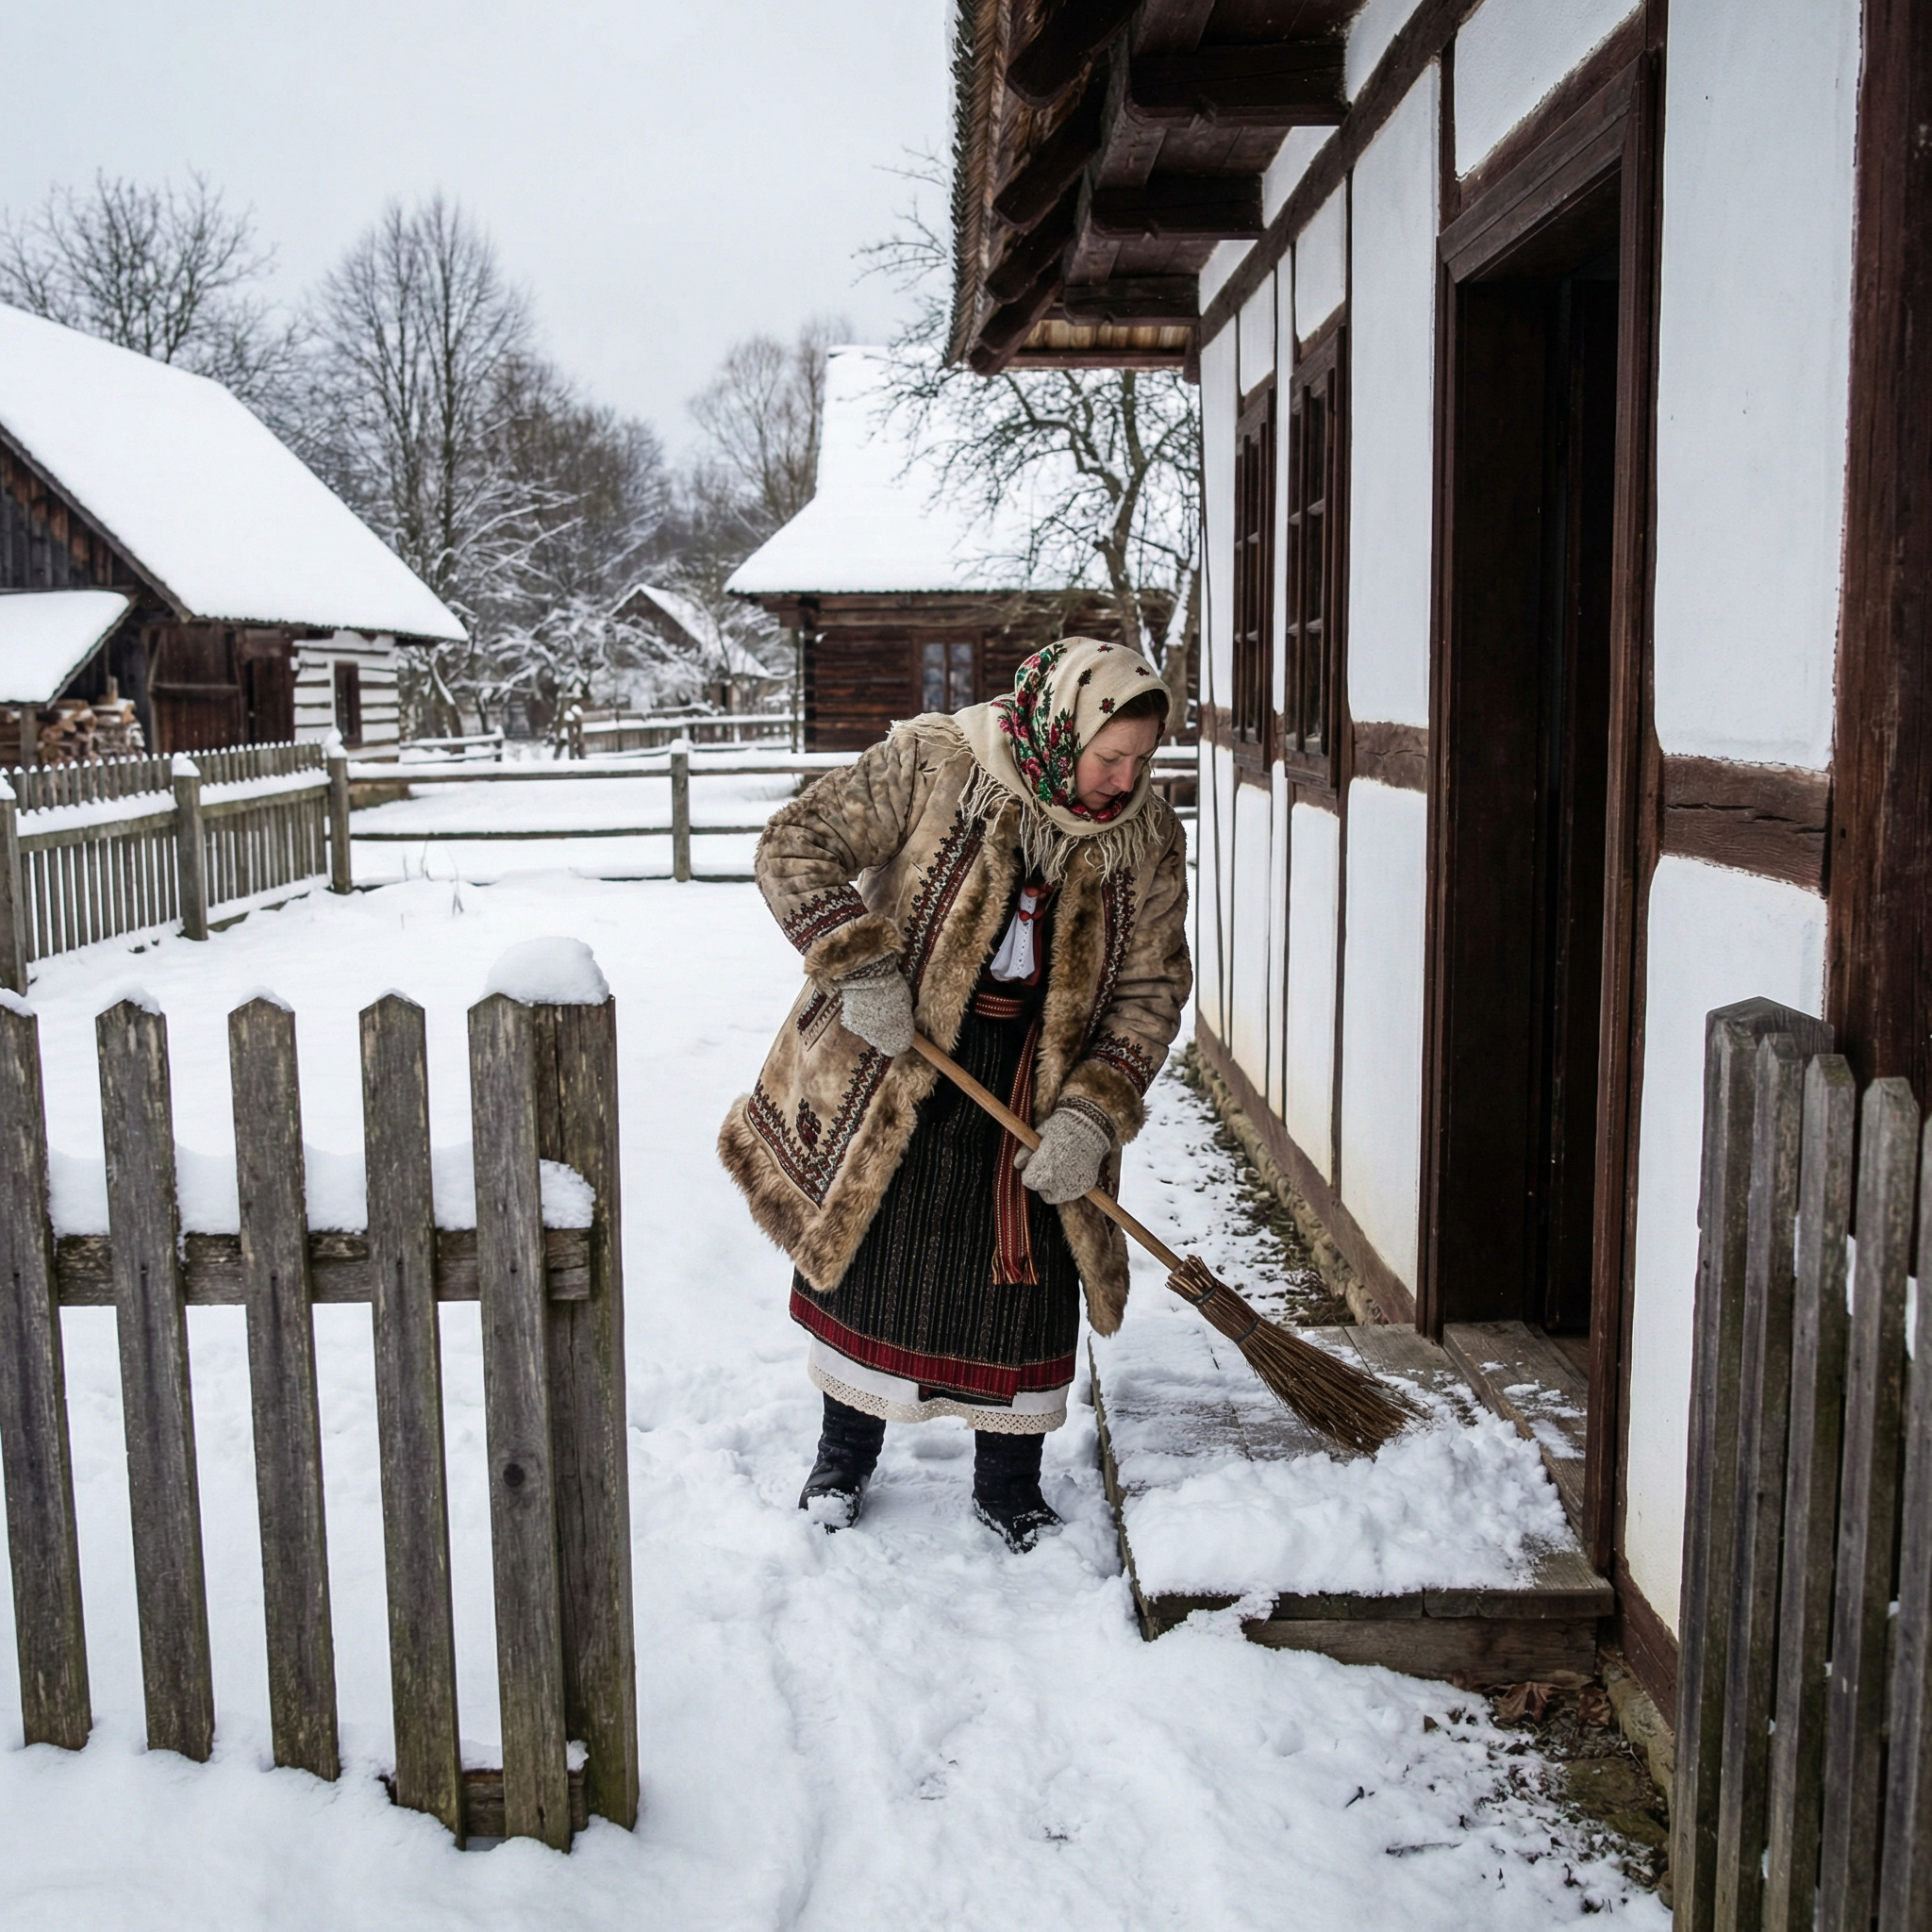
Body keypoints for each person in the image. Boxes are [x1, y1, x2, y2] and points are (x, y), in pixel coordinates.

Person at [719, 637, 1191, 1549]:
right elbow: (795, 845)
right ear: (1062, 728)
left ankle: (1009, 1485)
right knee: (876, 1261)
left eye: (1142, 759)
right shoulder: (936, 765)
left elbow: (1150, 991)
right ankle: (842, 1458)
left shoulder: (1147, 840)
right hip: (894, 1057)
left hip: (1038, 1090)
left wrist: (1093, 1112)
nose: (1125, 780)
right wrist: (859, 963)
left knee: (1019, 1282)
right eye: (1110, 756)